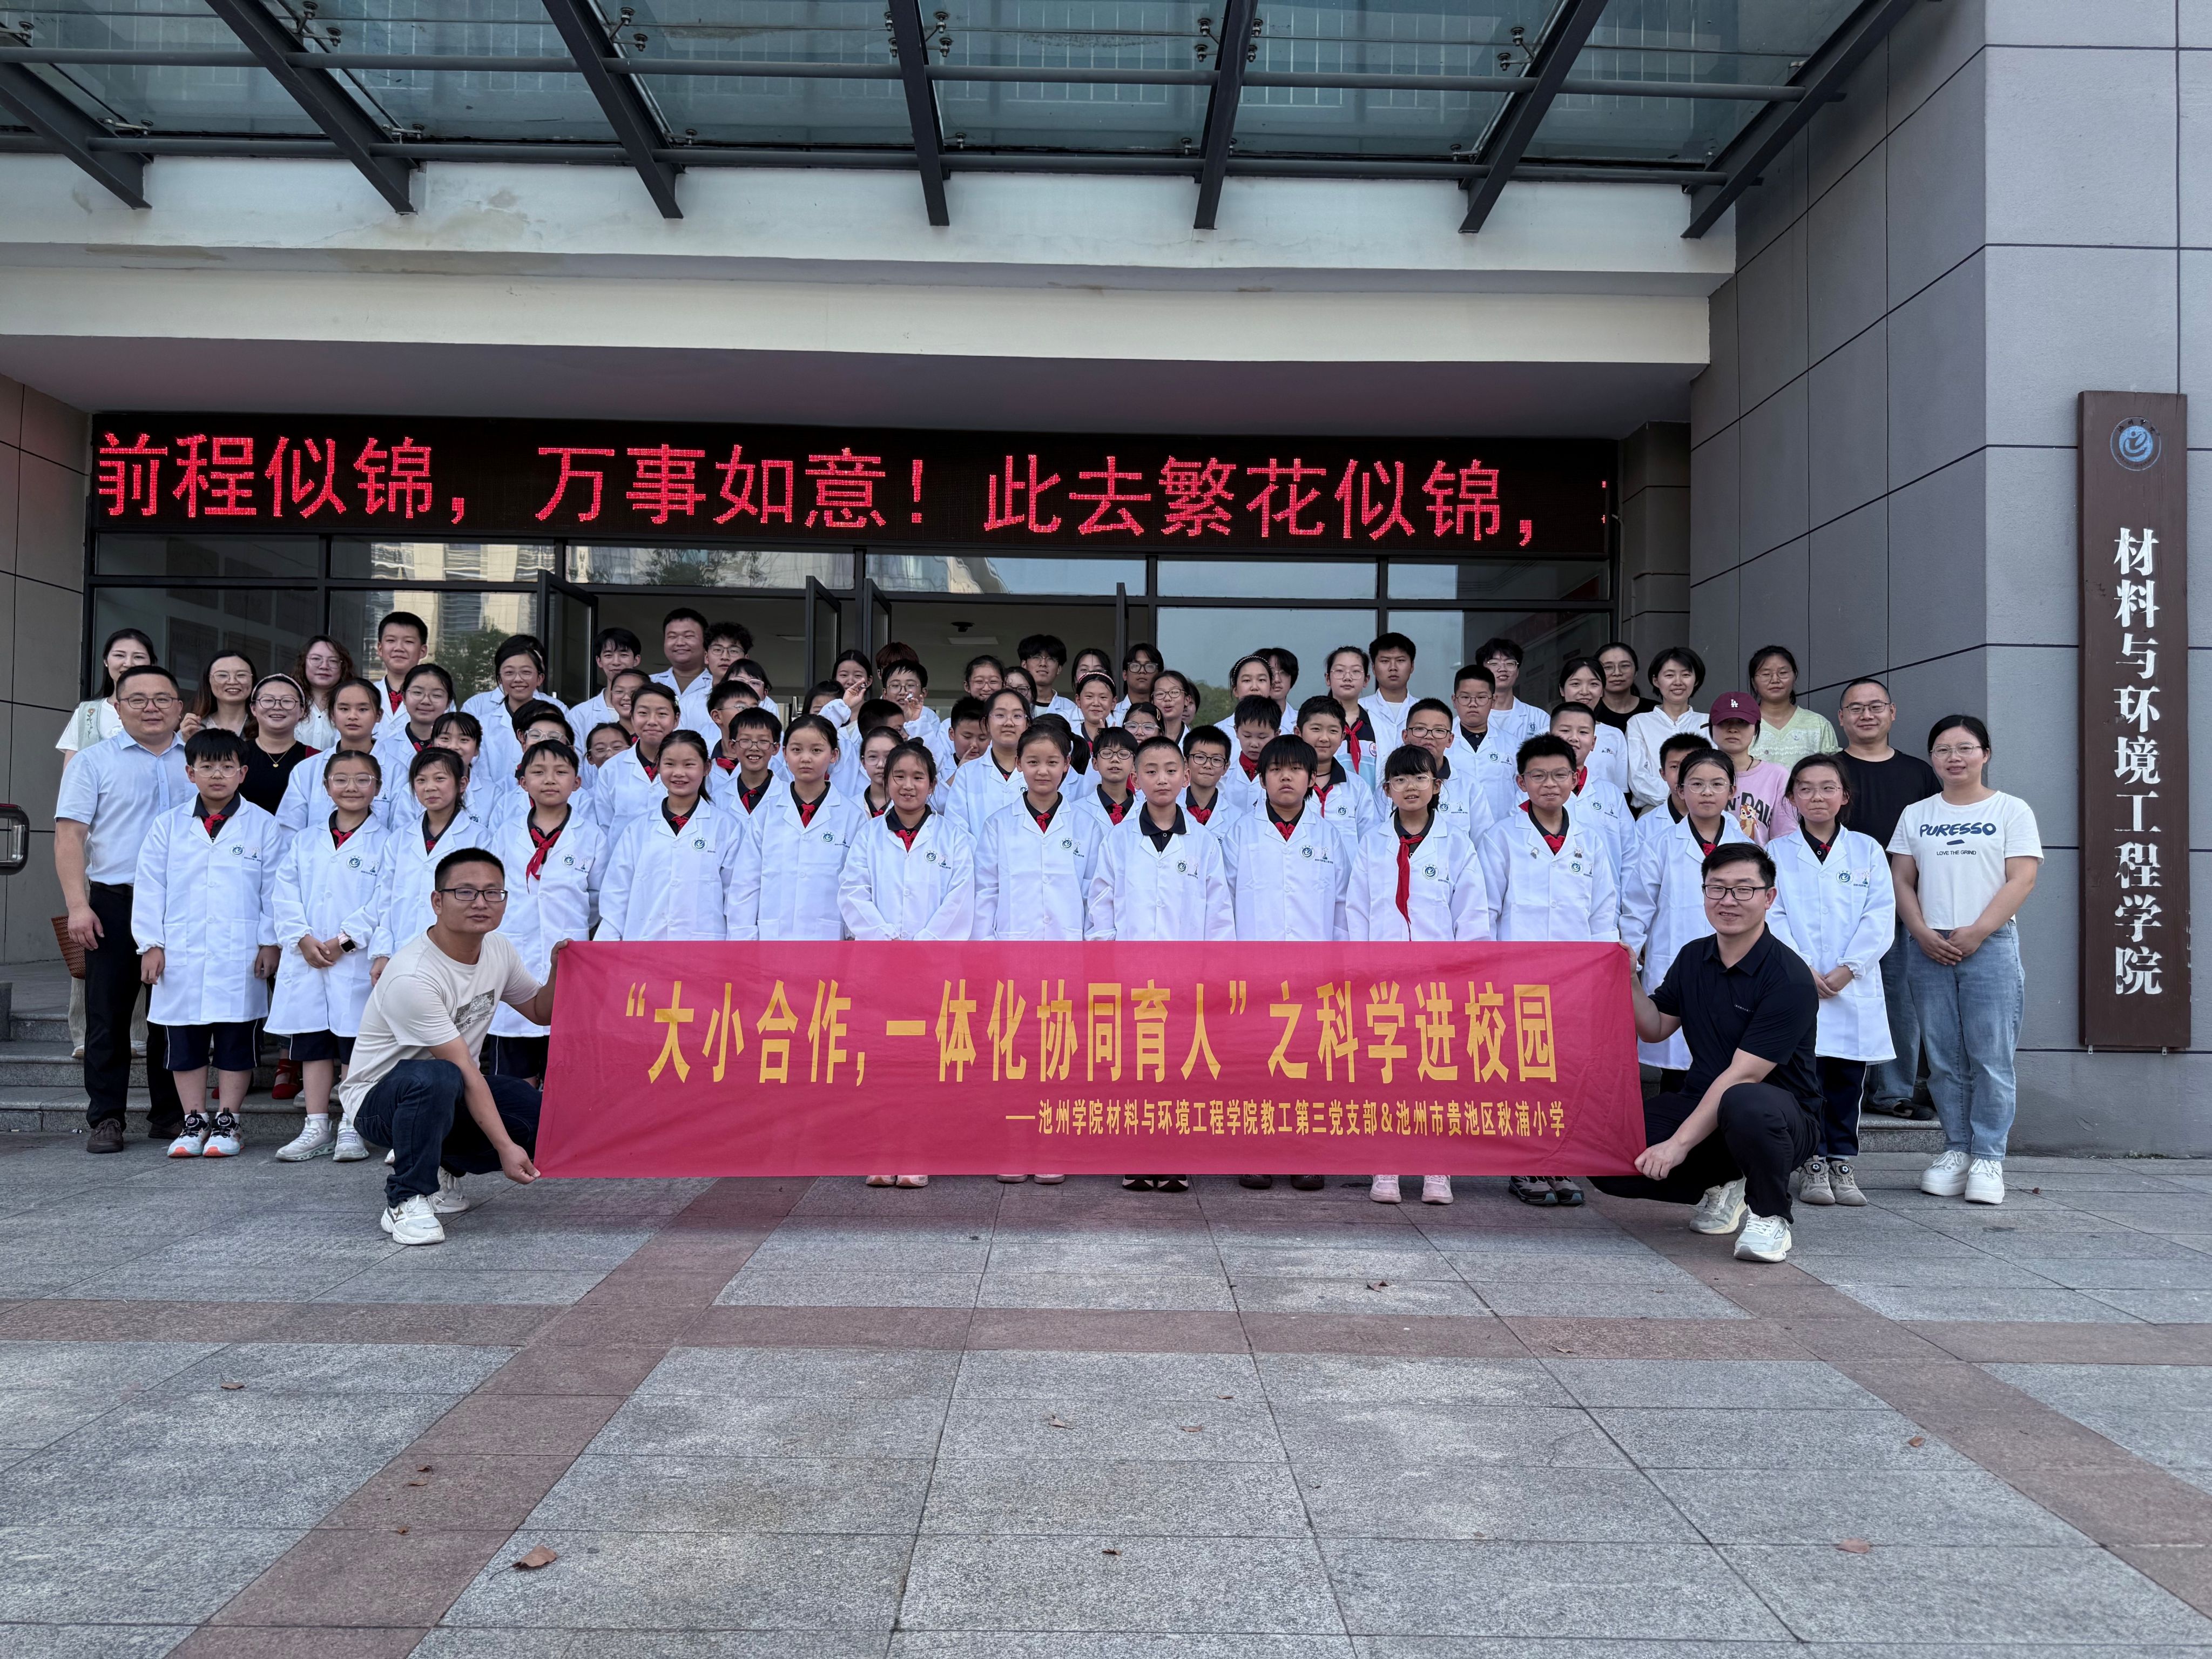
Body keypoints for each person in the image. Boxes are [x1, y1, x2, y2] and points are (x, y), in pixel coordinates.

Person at [1593, 844, 1824, 1265]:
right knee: (1607, 1150)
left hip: (1779, 1117)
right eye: (1717, 888)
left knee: (1745, 1101)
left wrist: (1677, 1146)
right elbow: (1655, 1027)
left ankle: (1770, 1214)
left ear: (1769, 897)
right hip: (1704, 1103)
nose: (1728, 901)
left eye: (1743, 889)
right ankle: (1726, 1180)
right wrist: (1630, 979)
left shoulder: (1788, 977)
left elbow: (1744, 1075)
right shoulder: (1693, 957)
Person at [339, 849, 563, 1246]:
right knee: (438, 1076)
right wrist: (504, 1148)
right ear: (437, 902)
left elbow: (538, 1010)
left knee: (533, 1112)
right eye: (465, 892)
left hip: (450, 1089)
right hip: (379, 1102)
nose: (481, 903)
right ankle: (405, 1197)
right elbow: (462, 1068)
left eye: (493, 892)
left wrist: (560, 969)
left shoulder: (498, 949)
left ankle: (443, 1167)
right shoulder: (413, 975)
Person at [1891, 715, 2041, 1206]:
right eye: (1943, 750)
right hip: (1928, 945)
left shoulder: (2011, 810)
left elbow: (2021, 879)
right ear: (1932, 759)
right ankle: (1956, 1148)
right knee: (1943, 1058)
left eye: (1965, 748)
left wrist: (1978, 932)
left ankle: (1989, 1156)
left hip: (1990, 944)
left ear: (1985, 754)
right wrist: (1919, 931)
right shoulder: (1917, 813)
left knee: (1990, 1057)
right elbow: (1902, 879)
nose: (1953, 758)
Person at [1478, 734, 1619, 1206]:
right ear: (1521, 782)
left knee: (1566, 1073)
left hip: (1575, 981)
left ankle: (1559, 1160)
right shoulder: (1501, 837)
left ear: (1576, 779)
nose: (1550, 784)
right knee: (1522, 1073)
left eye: (1560, 775)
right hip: (1517, 977)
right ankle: (1524, 1165)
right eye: (1538, 776)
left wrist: (1601, 972)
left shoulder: (1590, 841)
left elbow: (1603, 913)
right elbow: (1487, 911)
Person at [56, 663, 192, 1152]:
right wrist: (78, 905)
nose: (151, 708)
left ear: (179, 707)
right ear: (116, 707)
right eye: (137, 699)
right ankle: (107, 1117)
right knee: (108, 1015)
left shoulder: (197, 760)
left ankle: (170, 1114)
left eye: (162, 699)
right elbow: (69, 836)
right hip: (116, 901)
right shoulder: (93, 762)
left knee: (173, 1015)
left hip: (183, 902)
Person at [1346, 744, 1488, 1208]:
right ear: (1387, 789)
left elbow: (1472, 915)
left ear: (1437, 786)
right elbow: (1356, 912)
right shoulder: (1372, 844)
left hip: (1439, 981)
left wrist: (1466, 975)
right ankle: (1386, 1163)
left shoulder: (1458, 844)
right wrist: (1361, 971)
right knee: (1387, 1073)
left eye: (1420, 778)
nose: (1411, 787)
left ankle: (1436, 1166)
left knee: (1438, 1073)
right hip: (1384, 979)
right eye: (1401, 780)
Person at [1090, 735, 1231, 1195]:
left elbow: (1219, 914)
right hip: (1131, 977)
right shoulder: (1119, 840)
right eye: (1151, 771)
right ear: (1136, 779)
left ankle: (1176, 1156)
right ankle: (1136, 1155)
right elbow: (1101, 906)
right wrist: (1108, 965)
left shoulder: (1204, 843)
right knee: (1134, 1067)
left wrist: (1213, 976)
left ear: (1186, 776)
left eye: (1171, 770)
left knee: (1180, 1067)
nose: (1162, 779)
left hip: (1186, 980)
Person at [132, 729, 282, 1158]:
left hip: (240, 953)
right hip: (180, 951)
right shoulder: (167, 826)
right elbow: (150, 888)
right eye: (207, 766)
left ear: (243, 773)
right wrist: (151, 944)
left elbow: (274, 889)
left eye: (227, 766)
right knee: (184, 1040)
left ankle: (229, 1121)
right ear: (190, 773)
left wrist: (270, 942)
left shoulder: (264, 825)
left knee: (236, 1039)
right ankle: (194, 1120)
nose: (217, 774)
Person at [1768, 755, 1895, 1207]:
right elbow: (1772, 913)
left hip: (1852, 984)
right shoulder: (1778, 852)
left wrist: (1849, 968)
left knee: (1847, 1078)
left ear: (1845, 796)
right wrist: (1802, 967)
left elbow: (1880, 915)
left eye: (1828, 788)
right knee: (1807, 1077)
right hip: (1799, 980)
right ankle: (1812, 1160)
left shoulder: (1867, 850)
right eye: (1805, 788)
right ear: (1791, 798)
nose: (1817, 797)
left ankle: (1843, 1159)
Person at [1222, 735, 1343, 1195]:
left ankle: (1306, 1155)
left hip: (1315, 973)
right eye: (1276, 770)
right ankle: (1256, 1153)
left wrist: (1340, 968)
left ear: (1312, 778)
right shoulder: (1240, 834)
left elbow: (1343, 907)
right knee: (1256, 1065)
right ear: (1262, 778)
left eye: (1296, 769)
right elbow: (1224, 903)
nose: (1286, 777)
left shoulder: (1330, 837)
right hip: (1255, 972)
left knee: (1309, 1066)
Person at [267, 748, 386, 1162]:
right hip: (308, 958)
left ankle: (352, 1124)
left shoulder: (387, 842)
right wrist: (301, 938)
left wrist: (344, 941)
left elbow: (384, 901)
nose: (352, 787)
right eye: (341, 779)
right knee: (312, 1043)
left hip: (353, 960)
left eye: (362, 779)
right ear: (326, 786)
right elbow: (284, 893)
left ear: (378, 787)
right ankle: (316, 1125)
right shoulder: (305, 840)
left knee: (355, 1044)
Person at [1835, 677, 1941, 1122]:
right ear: (1841, 718)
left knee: (1900, 996)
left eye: (1875, 706)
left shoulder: (1919, 773)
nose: (1866, 715)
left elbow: (1932, 838)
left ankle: (1893, 1090)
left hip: (1902, 899)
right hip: (1839, 900)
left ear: (1892, 713)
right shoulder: (1828, 769)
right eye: (1856, 708)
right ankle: (1841, 1087)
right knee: (1842, 991)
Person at [1621, 745, 1758, 1089]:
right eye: (1696, 784)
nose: (1707, 792)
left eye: (1717, 784)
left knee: (1730, 1064)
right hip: (1674, 961)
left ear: (1732, 790)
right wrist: (1628, 960)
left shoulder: (1750, 850)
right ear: (1680, 790)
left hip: (1734, 964)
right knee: (1677, 1070)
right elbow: (1637, 908)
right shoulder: (1660, 844)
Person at [485, 740, 602, 1080]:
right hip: (515, 953)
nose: (550, 780)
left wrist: (566, 923)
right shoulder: (505, 835)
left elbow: (598, 899)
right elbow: (493, 891)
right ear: (523, 782)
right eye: (539, 772)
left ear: (577, 782)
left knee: (563, 1068)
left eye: (561, 772)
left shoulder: (591, 836)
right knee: (514, 1073)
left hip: (568, 956)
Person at [599, 730, 751, 942]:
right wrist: (606, 945)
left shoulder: (726, 828)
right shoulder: (637, 830)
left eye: (689, 765)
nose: (679, 773)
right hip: (644, 943)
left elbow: (737, 896)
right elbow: (617, 894)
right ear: (658, 767)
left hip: (706, 946)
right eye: (670, 764)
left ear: (706, 768)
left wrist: (739, 947)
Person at [368, 748, 495, 973]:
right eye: (421, 780)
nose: (430, 787)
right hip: (402, 950)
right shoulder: (399, 839)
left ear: (462, 784)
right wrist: (382, 953)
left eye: (440, 779)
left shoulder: (479, 839)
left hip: (456, 955)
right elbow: (385, 899)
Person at [974, 723, 1100, 944]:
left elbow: (1093, 894)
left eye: (1052, 762)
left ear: (1066, 764)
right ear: (1019, 763)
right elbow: (986, 892)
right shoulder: (997, 825)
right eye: (1033, 762)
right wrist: (986, 945)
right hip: (1011, 942)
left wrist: (1091, 946)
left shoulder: (1086, 826)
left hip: (1069, 942)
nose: (1043, 771)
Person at [748, 714, 865, 940]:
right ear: (784, 753)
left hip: (829, 936)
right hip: (772, 935)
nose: (806, 758)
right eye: (797, 750)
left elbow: (856, 884)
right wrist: (744, 937)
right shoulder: (765, 814)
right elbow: (747, 883)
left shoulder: (852, 817)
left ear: (834, 755)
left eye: (816, 750)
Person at [278, 678, 385, 837]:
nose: (353, 716)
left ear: (379, 715)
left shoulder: (399, 771)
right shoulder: (307, 769)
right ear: (332, 715)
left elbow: (402, 832)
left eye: (363, 709)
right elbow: (288, 832)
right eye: (344, 709)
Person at [1397, 698, 1498, 846]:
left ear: (1450, 740)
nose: (1429, 736)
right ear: (1406, 736)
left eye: (1439, 730)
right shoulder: (1394, 785)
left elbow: (1483, 844)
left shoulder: (1470, 786)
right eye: (1420, 729)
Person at [1706, 693, 1796, 845]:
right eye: (1724, 722)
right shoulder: (1695, 773)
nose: (1733, 729)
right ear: (1711, 727)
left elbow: (1785, 838)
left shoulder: (1777, 776)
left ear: (1756, 728)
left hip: (1757, 859)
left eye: (1742, 722)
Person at [56, 626, 155, 765]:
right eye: (119, 655)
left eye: (138, 657)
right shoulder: (86, 712)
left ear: (151, 664)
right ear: (106, 661)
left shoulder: (162, 711)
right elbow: (71, 771)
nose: (128, 664)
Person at [1627, 646, 1709, 813]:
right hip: (1654, 809)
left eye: (1686, 675)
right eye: (1670, 675)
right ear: (1656, 681)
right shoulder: (1639, 723)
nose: (1678, 682)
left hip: (1703, 809)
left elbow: (1716, 769)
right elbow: (1638, 778)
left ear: (1696, 680)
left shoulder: (1708, 722)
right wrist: (1683, 796)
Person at [947, 687, 1033, 839]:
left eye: (1017, 716)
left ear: (1027, 724)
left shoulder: (1038, 772)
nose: (1009, 722)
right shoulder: (967, 773)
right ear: (986, 723)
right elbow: (957, 829)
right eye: (1000, 715)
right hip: (976, 855)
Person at [594, 683, 679, 833]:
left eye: (662, 714)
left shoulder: (692, 767)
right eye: (643, 713)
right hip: (622, 848)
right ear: (632, 717)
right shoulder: (611, 769)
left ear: (676, 719)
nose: (652, 721)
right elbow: (605, 827)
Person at [1554, 656, 1634, 802]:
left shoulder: (1615, 735)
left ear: (1602, 690)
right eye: (1576, 684)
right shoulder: (1543, 734)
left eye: (1594, 684)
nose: (1585, 691)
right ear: (1562, 690)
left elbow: (1619, 790)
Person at [1746, 645, 1837, 771]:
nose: (1775, 680)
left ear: (1795, 676)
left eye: (1783, 673)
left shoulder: (1818, 724)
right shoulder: (1743, 724)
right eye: (1766, 674)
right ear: (1754, 682)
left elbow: (1833, 773)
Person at [1296, 697, 1375, 840]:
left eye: (1333, 731)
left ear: (1342, 737)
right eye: (1316, 729)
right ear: (1298, 733)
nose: (1324, 738)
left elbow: (1369, 841)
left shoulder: (1358, 787)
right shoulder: (1281, 782)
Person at [240, 673, 318, 816]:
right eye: (268, 700)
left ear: (302, 710)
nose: (277, 707)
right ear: (254, 709)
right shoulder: (235, 754)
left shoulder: (316, 759)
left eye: (287, 701)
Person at [567, 625, 644, 738]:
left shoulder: (653, 708)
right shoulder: (580, 714)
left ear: (636, 660)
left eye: (623, 655)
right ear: (599, 661)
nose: (616, 662)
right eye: (608, 655)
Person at [1476, 637, 1546, 753]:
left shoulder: (1539, 718)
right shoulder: (1468, 718)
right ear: (1481, 670)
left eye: (1510, 663)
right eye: (1494, 663)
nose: (1503, 669)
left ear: (1517, 671)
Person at [1220, 692, 1285, 818]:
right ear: (1236, 731)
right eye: (1247, 736)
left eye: (1262, 737)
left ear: (1277, 734)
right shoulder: (1224, 774)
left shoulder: (1283, 776)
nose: (1254, 744)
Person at [1323, 645, 1381, 782]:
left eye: (1356, 671)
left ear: (1366, 680)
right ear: (1328, 678)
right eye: (1339, 671)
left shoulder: (1377, 724)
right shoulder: (1316, 722)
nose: (1347, 677)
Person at [654, 606, 714, 732]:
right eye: (672, 637)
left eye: (689, 636)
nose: (680, 643)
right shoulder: (649, 683)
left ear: (706, 642)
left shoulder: (718, 687)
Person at [294, 635, 355, 751]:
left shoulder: (353, 706)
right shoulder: (289, 702)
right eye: (316, 659)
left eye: (333, 661)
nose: (324, 666)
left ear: (343, 667)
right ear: (304, 663)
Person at [719, 704, 783, 815]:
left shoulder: (789, 796)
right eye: (745, 740)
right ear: (733, 746)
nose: (754, 748)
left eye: (763, 741)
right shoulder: (717, 798)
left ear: (775, 748)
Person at [1360, 632, 1418, 752]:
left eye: (1400, 660)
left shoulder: (1424, 711)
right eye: (1385, 661)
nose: (1393, 668)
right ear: (1374, 668)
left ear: (1412, 666)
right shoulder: (1359, 709)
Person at [179, 650, 255, 739]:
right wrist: (187, 741)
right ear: (208, 681)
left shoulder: (263, 725)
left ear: (253, 680)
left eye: (241, 675)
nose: (232, 682)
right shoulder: (192, 728)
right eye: (222, 675)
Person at [1077, 726, 1139, 832]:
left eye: (1123, 754)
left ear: (1134, 765)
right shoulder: (1078, 810)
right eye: (1107, 753)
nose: (1115, 759)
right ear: (1095, 763)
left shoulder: (1146, 811)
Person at [1018, 633, 1082, 725]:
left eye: (1051, 659)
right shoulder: (1014, 702)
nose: (1043, 663)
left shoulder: (1071, 709)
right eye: (1037, 657)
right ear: (1024, 664)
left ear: (1059, 669)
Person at [1180, 726, 1238, 827]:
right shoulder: (1169, 808)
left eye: (1216, 760)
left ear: (1226, 767)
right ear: (1185, 763)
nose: (1208, 765)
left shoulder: (1237, 818)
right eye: (1200, 757)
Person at [1595, 640, 1655, 731]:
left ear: (1636, 671)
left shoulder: (1654, 711)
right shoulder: (1591, 711)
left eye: (1625, 666)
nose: (1617, 673)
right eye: (1608, 667)